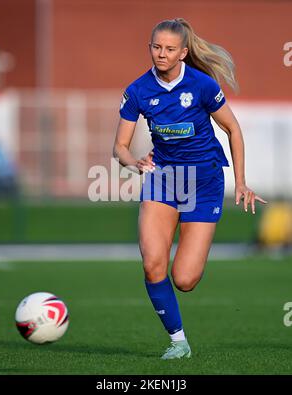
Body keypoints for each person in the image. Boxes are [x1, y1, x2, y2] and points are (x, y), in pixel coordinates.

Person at [113, 18, 267, 360]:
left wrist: (240, 182)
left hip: (205, 183)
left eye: (169, 49)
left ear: (183, 52)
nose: (161, 54)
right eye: (156, 47)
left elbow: (233, 129)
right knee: (153, 264)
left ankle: (182, 302)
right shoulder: (138, 90)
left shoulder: (202, 85)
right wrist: (134, 161)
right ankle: (178, 341)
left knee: (184, 279)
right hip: (163, 181)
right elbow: (119, 147)